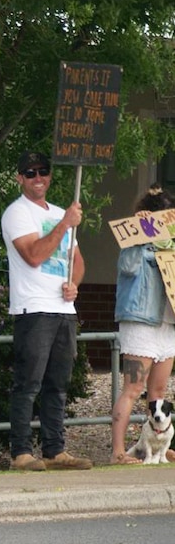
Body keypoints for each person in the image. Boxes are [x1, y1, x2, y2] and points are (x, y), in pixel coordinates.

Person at [1, 151, 92, 471]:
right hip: (33, 308)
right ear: (19, 178)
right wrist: (64, 224)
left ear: (50, 175)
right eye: (30, 172)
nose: (38, 177)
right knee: (28, 383)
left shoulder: (59, 212)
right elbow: (34, 255)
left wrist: (74, 285)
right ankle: (21, 452)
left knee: (58, 383)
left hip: (63, 307)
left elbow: (77, 262)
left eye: (43, 171)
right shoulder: (17, 213)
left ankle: (55, 449)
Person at [111, 185, 175, 465]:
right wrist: (140, 233)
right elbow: (127, 268)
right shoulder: (134, 245)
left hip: (166, 323)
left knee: (158, 392)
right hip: (140, 321)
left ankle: (157, 448)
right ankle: (117, 451)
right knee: (133, 388)